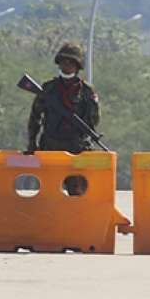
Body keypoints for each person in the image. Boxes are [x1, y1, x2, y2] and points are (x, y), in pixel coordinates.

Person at [26, 43, 100, 195]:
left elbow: (93, 120)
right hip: (51, 146)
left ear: (78, 66)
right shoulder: (48, 88)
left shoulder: (86, 91)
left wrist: (86, 139)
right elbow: (35, 117)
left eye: (70, 62)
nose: (66, 65)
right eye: (63, 61)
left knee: (78, 194)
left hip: (76, 148)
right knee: (49, 193)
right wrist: (32, 143)